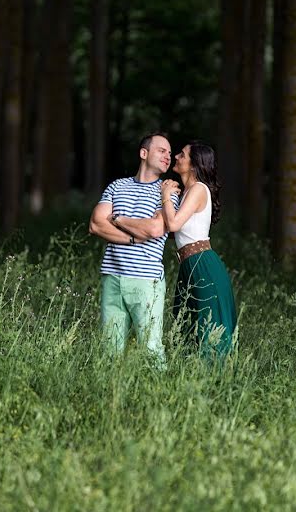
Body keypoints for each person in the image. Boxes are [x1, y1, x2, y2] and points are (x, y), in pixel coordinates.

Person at [88, 132, 178, 366]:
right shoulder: (117, 186)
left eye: (170, 153)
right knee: (110, 349)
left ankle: (162, 398)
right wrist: (131, 239)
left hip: (146, 280)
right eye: (162, 150)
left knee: (151, 349)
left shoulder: (168, 192)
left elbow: (155, 229)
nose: (168, 156)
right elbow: (96, 224)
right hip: (113, 278)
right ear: (143, 153)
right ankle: (112, 398)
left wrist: (116, 218)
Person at [159, 142, 236, 358]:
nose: (176, 156)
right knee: (185, 325)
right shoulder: (187, 192)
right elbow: (175, 231)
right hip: (190, 265)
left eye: (182, 155)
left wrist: (165, 194)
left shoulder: (199, 189)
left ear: (194, 165)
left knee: (207, 327)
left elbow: (173, 225)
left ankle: (214, 383)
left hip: (202, 264)